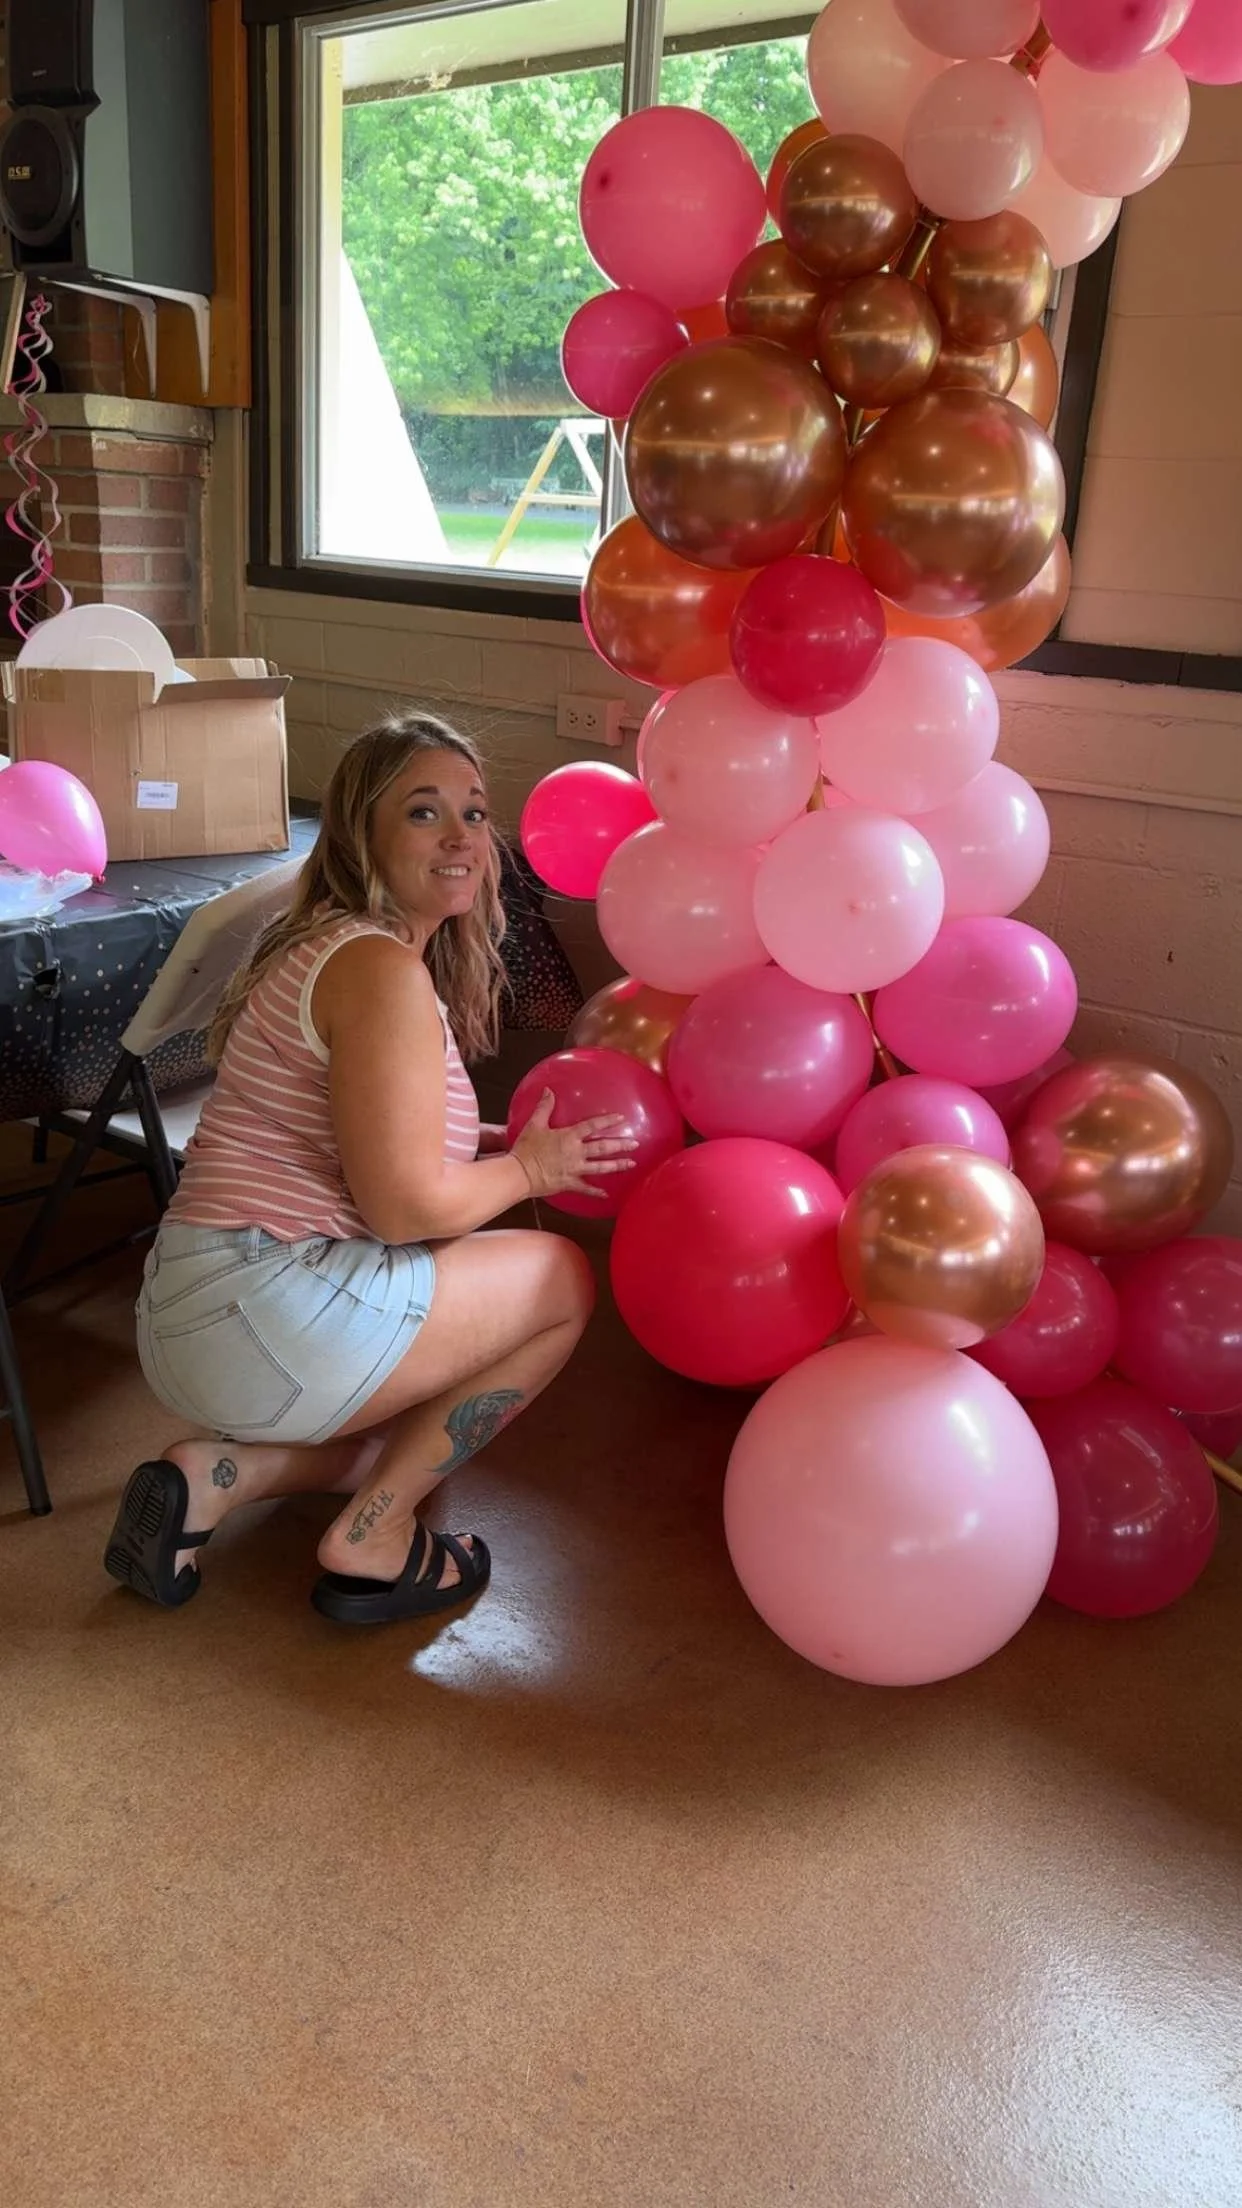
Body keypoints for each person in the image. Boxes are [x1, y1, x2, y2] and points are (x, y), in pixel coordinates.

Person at [104, 712, 635, 1625]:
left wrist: (499, 1145)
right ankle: (375, 1535)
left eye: (474, 812)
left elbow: (370, 1141)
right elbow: (404, 1211)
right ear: (363, 836)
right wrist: (529, 1173)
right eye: (424, 813)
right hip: (270, 1313)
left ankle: (218, 1476)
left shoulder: (330, 945)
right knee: (560, 1278)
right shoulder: (380, 970)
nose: (462, 836)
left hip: (195, 1317)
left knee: (407, 1429)